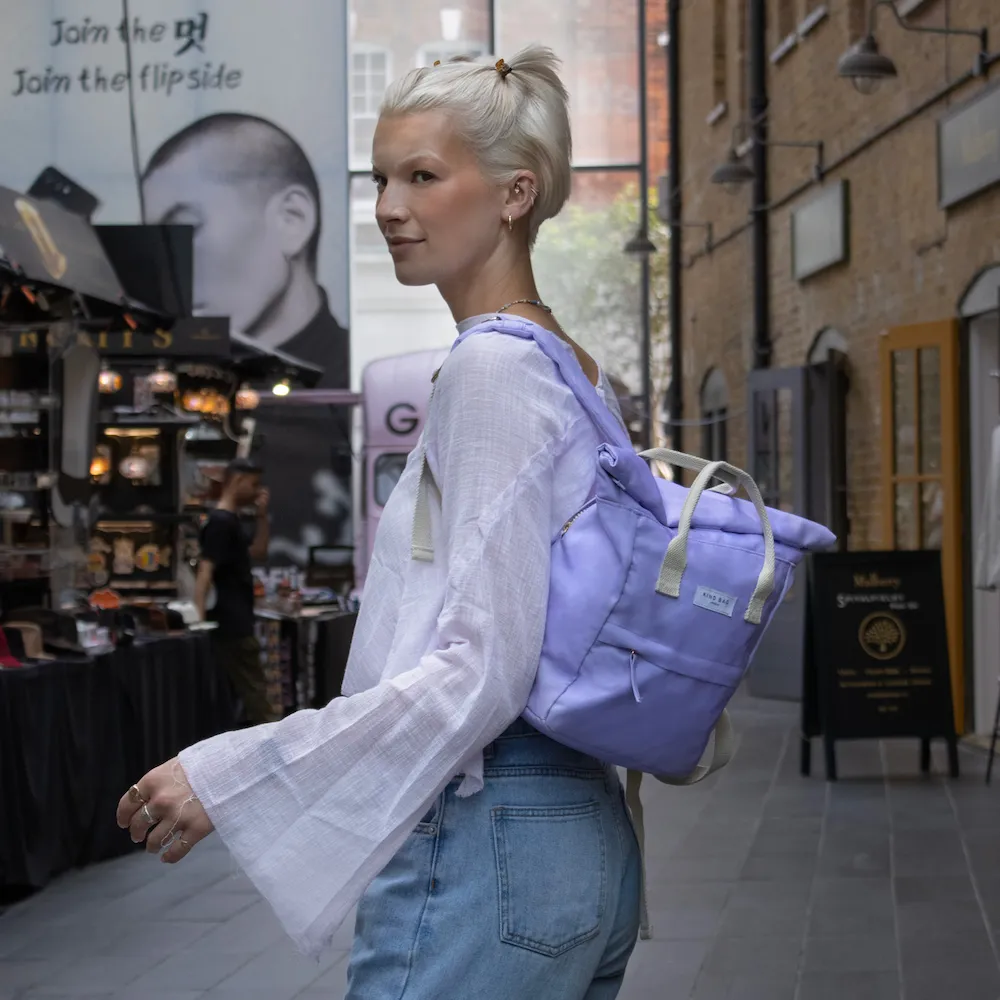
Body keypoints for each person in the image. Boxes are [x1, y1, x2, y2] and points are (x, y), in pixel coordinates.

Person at [117, 47, 642, 999]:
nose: (389, 207)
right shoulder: (573, 367)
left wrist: (235, 772)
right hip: (575, 826)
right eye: (381, 179)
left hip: (491, 828)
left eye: (424, 177)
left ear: (516, 193)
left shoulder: (492, 370)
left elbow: (482, 667)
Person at [142, 113, 352, 565]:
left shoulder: (352, 392)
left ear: (292, 220)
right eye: (160, 242)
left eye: (188, 230)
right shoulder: (167, 389)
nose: (172, 266)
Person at [194, 458, 278, 726]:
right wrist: (197, 619)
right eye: (253, 484)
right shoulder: (220, 522)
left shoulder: (230, 523)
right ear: (238, 481)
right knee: (255, 693)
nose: (257, 491)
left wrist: (262, 517)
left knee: (250, 691)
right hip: (229, 623)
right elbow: (205, 571)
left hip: (237, 620)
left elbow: (258, 552)